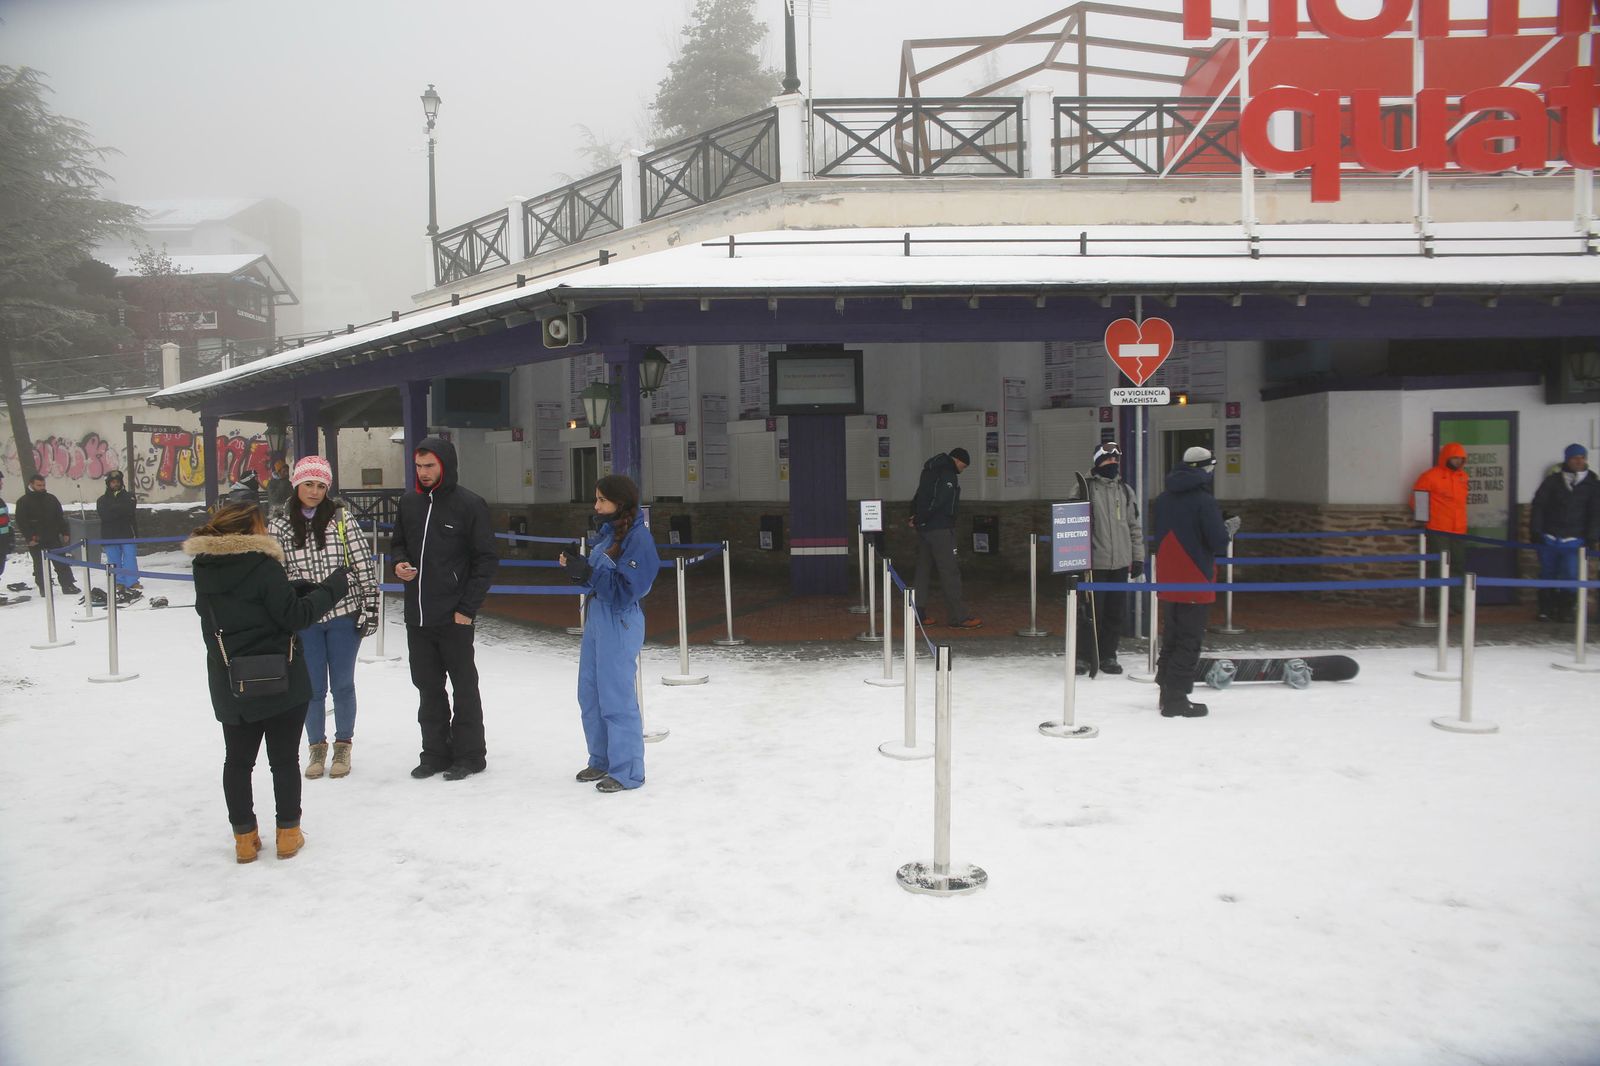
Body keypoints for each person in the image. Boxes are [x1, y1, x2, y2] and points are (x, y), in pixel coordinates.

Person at [185, 500, 350, 863]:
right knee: (284, 761)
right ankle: (288, 835)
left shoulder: (204, 568)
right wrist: (331, 588)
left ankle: (244, 839)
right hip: (281, 678)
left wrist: (295, 587)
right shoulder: (263, 565)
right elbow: (294, 616)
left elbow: (246, 606)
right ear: (250, 529)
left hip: (232, 681)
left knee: (238, 762)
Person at [390, 436, 498, 781]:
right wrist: (400, 563)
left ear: (445, 465)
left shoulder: (470, 505)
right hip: (418, 615)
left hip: (455, 615)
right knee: (427, 685)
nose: (423, 473)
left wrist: (467, 608)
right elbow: (398, 544)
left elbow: (486, 560)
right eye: (419, 466)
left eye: (429, 466)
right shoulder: (408, 503)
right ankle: (434, 752)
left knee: (464, 686)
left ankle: (469, 755)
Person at [267, 455, 379, 780]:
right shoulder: (280, 524)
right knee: (312, 688)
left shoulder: (341, 519)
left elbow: (362, 564)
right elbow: (275, 571)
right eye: (308, 485)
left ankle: (343, 744)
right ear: (296, 485)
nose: (314, 491)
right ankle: (316, 746)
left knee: (343, 685)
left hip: (344, 614)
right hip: (306, 617)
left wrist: (371, 607)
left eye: (320, 486)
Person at [559, 474, 660, 793]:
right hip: (597, 617)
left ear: (620, 502)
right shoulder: (607, 534)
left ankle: (628, 769)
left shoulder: (638, 540)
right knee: (589, 691)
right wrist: (577, 569)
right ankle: (601, 758)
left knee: (616, 695)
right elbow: (597, 577)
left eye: (602, 500)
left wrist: (588, 573)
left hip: (620, 619)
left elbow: (627, 589)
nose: (596, 505)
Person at [1151, 446, 1236, 718]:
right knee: (1189, 639)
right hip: (1195, 574)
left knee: (1173, 637)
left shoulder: (1163, 498)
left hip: (1169, 575)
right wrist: (1229, 528)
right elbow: (1217, 542)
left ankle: (1166, 691)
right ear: (1204, 468)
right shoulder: (1203, 500)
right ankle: (1177, 699)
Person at [1073, 441, 1143, 675]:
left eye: (1115, 459)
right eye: (1107, 459)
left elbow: (1134, 526)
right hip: (1093, 563)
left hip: (1120, 563)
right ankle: (1083, 655)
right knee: (1090, 612)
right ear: (1097, 461)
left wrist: (1138, 557)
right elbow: (1072, 524)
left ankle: (1108, 654)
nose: (1112, 463)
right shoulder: (1084, 488)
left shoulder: (1124, 490)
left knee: (1115, 612)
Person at [909, 446, 981, 629]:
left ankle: (918, 613)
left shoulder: (929, 470)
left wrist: (915, 517)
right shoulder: (948, 474)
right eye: (963, 466)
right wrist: (921, 518)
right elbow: (938, 501)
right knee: (950, 572)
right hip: (940, 529)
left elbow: (920, 496)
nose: (962, 470)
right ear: (957, 460)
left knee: (922, 571)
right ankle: (959, 617)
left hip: (925, 529)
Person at [1529, 443, 1599, 623]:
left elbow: (1595, 513)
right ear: (1567, 459)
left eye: (1582, 457)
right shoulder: (1552, 482)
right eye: (1575, 457)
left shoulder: (1593, 485)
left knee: (1570, 573)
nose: (1579, 461)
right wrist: (1536, 531)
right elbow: (1539, 507)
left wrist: (1592, 536)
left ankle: (1566, 609)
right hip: (1550, 536)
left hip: (1575, 538)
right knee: (1547, 572)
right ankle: (1546, 608)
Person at [14, 474, 79, 596]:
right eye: (39, 485)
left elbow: (59, 517)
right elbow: (22, 522)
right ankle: (44, 588)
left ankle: (68, 585)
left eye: (43, 485)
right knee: (40, 565)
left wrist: (65, 532)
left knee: (61, 562)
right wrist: (29, 537)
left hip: (52, 536)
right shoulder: (23, 501)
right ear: (31, 484)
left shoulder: (51, 499)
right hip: (36, 538)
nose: (42, 487)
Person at [1411, 441, 1470, 569]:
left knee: (1458, 565)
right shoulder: (1430, 476)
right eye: (1455, 458)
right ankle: (1436, 590)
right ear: (1446, 457)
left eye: (1461, 458)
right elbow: (1418, 500)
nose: (1458, 461)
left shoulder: (1463, 477)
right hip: (1438, 529)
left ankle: (1456, 590)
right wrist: (1426, 522)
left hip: (1459, 529)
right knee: (1439, 566)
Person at [95, 470, 141, 602]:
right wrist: (120, 510)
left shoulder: (129, 496)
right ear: (108, 484)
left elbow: (129, 511)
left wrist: (115, 509)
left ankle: (132, 581)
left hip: (127, 532)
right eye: (113, 482)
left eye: (118, 482)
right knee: (113, 559)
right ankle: (118, 581)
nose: (115, 484)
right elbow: (105, 516)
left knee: (130, 557)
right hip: (110, 534)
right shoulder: (102, 500)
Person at [0, 472, 15, 601]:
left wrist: (10, 538)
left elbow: (6, 521)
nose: (2, 483)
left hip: (2, 541)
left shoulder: (1, 501)